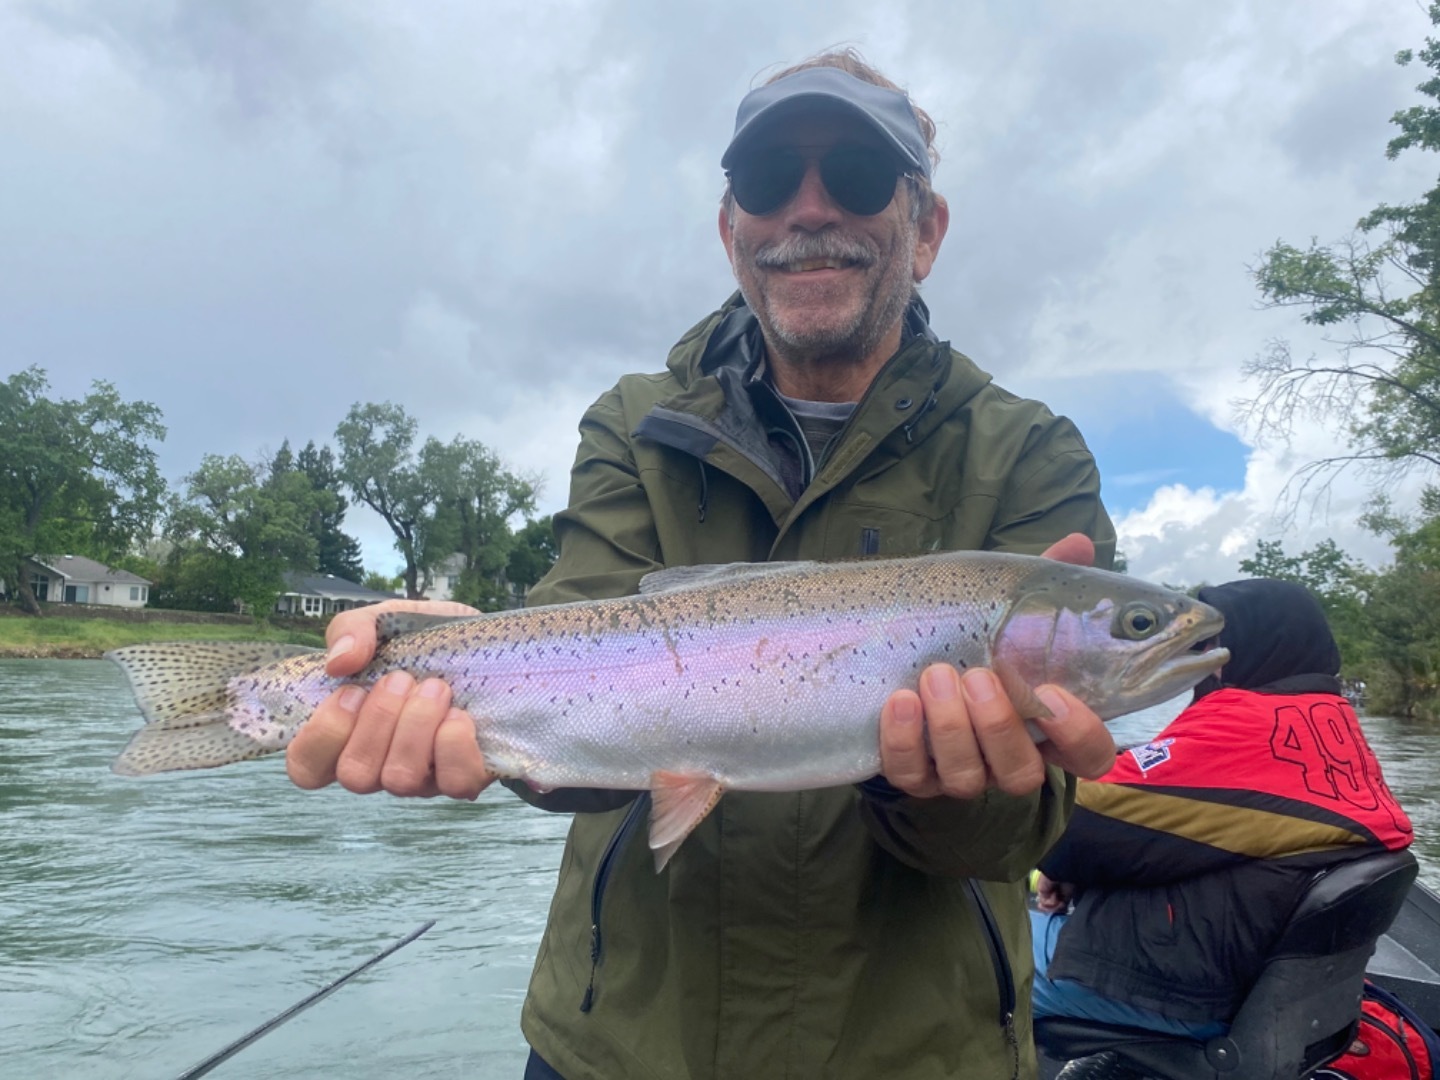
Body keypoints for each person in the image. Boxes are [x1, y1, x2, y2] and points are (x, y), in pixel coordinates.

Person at [288, 50, 1121, 1080]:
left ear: (929, 228)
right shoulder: (635, 426)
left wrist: (941, 785)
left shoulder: (1033, 455)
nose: (807, 210)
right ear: (733, 234)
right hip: (623, 1043)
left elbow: (1024, 826)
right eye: (769, 181)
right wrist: (453, 669)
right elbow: (577, 733)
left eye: (858, 176)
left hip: (917, 1054)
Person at [1031, 578, 1413, 1045]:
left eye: (1213, 645)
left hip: (1168, 990)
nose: (1202, 660)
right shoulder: (1327, 717)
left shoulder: (1242, 722)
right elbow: (1207, 827)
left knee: (964, 953)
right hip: (1258, 988)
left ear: (1250, 643)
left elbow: (1068, 828)